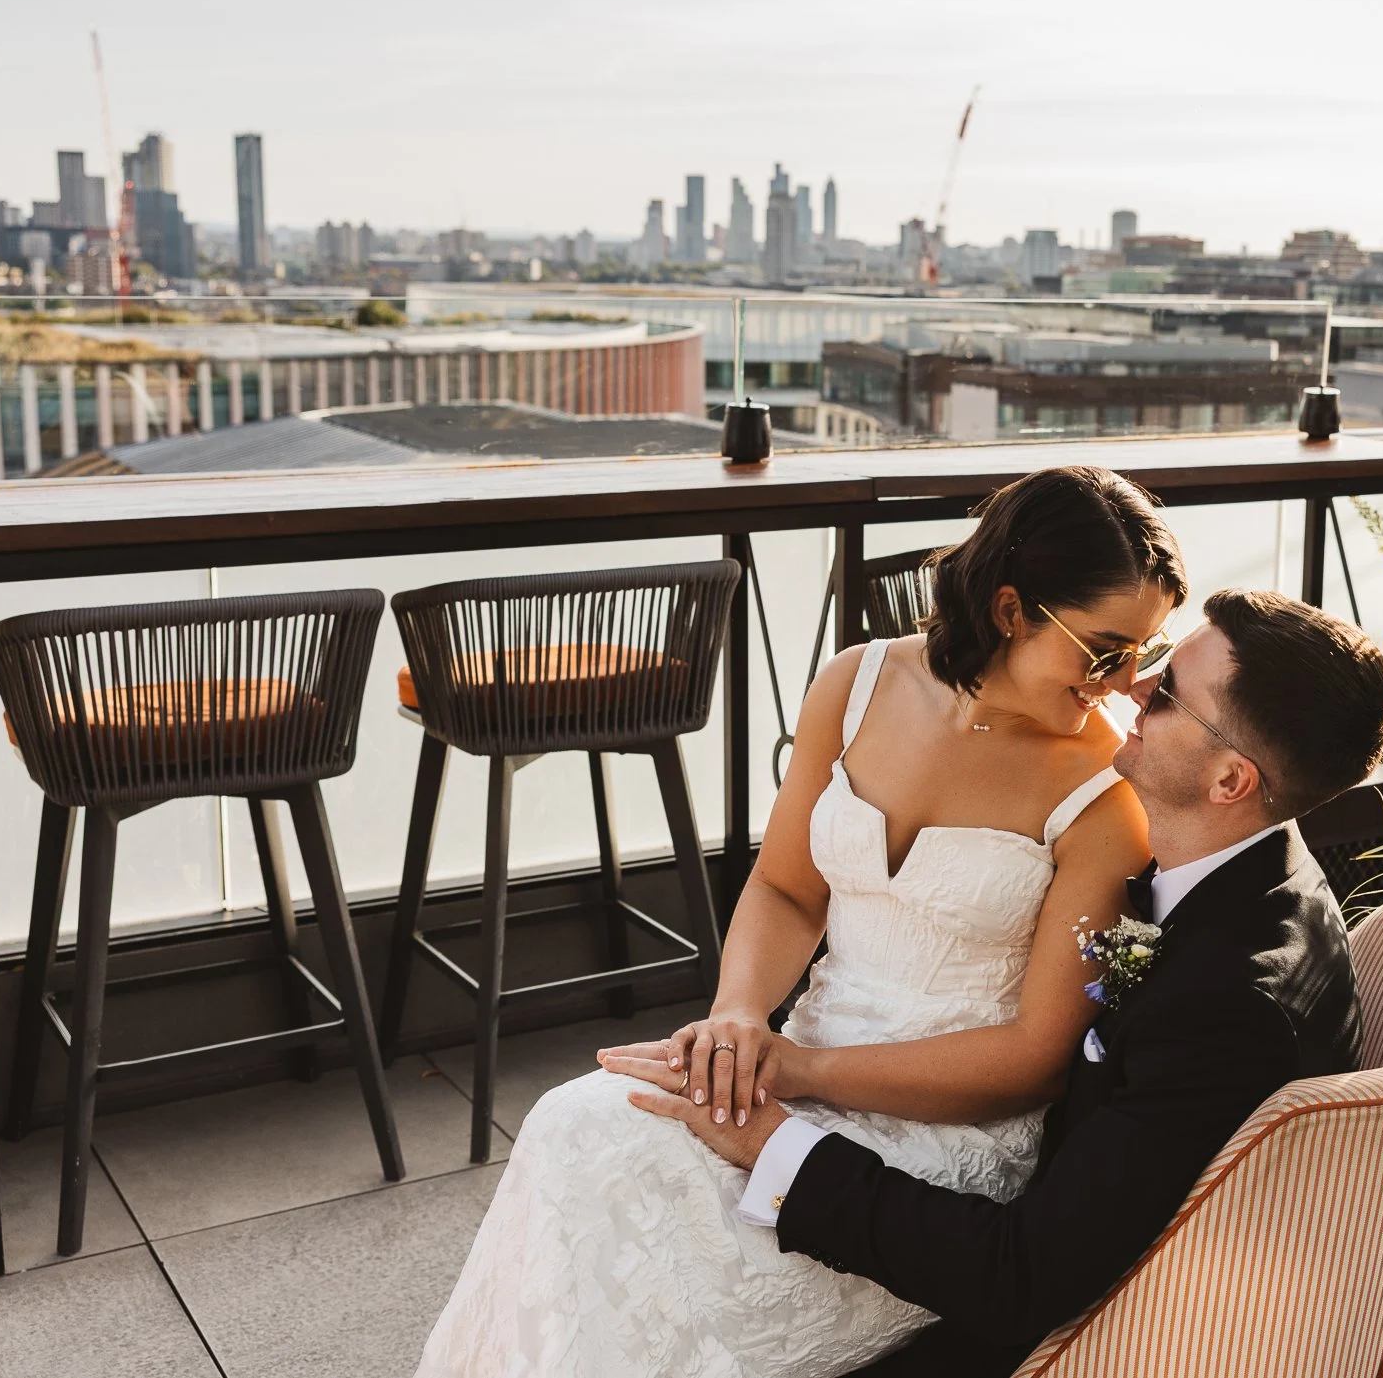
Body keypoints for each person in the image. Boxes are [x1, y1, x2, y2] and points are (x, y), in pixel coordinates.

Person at [413, 465, 1188, 1378]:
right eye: (1104, 651)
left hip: (946, 1130)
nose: (1129, 684)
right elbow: (785, 889)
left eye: (1148, 650)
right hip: (802, 1056)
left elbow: (1031, 1058)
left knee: (647, 1209)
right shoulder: (855, 684)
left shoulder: (1105, 796)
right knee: (573, 1126)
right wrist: (741, 1015)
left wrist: (799, 1069)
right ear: (1013, 610)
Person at [625, 585, 1383, 1377]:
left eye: (1164, 690)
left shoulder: (1229, 1007)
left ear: (1231, 780)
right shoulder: (1250, 874)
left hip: (1055, 1338)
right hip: (1007, 1203)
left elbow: (1019, 1279)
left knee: (643, 1249)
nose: (1129, 683)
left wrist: (778, 1145)